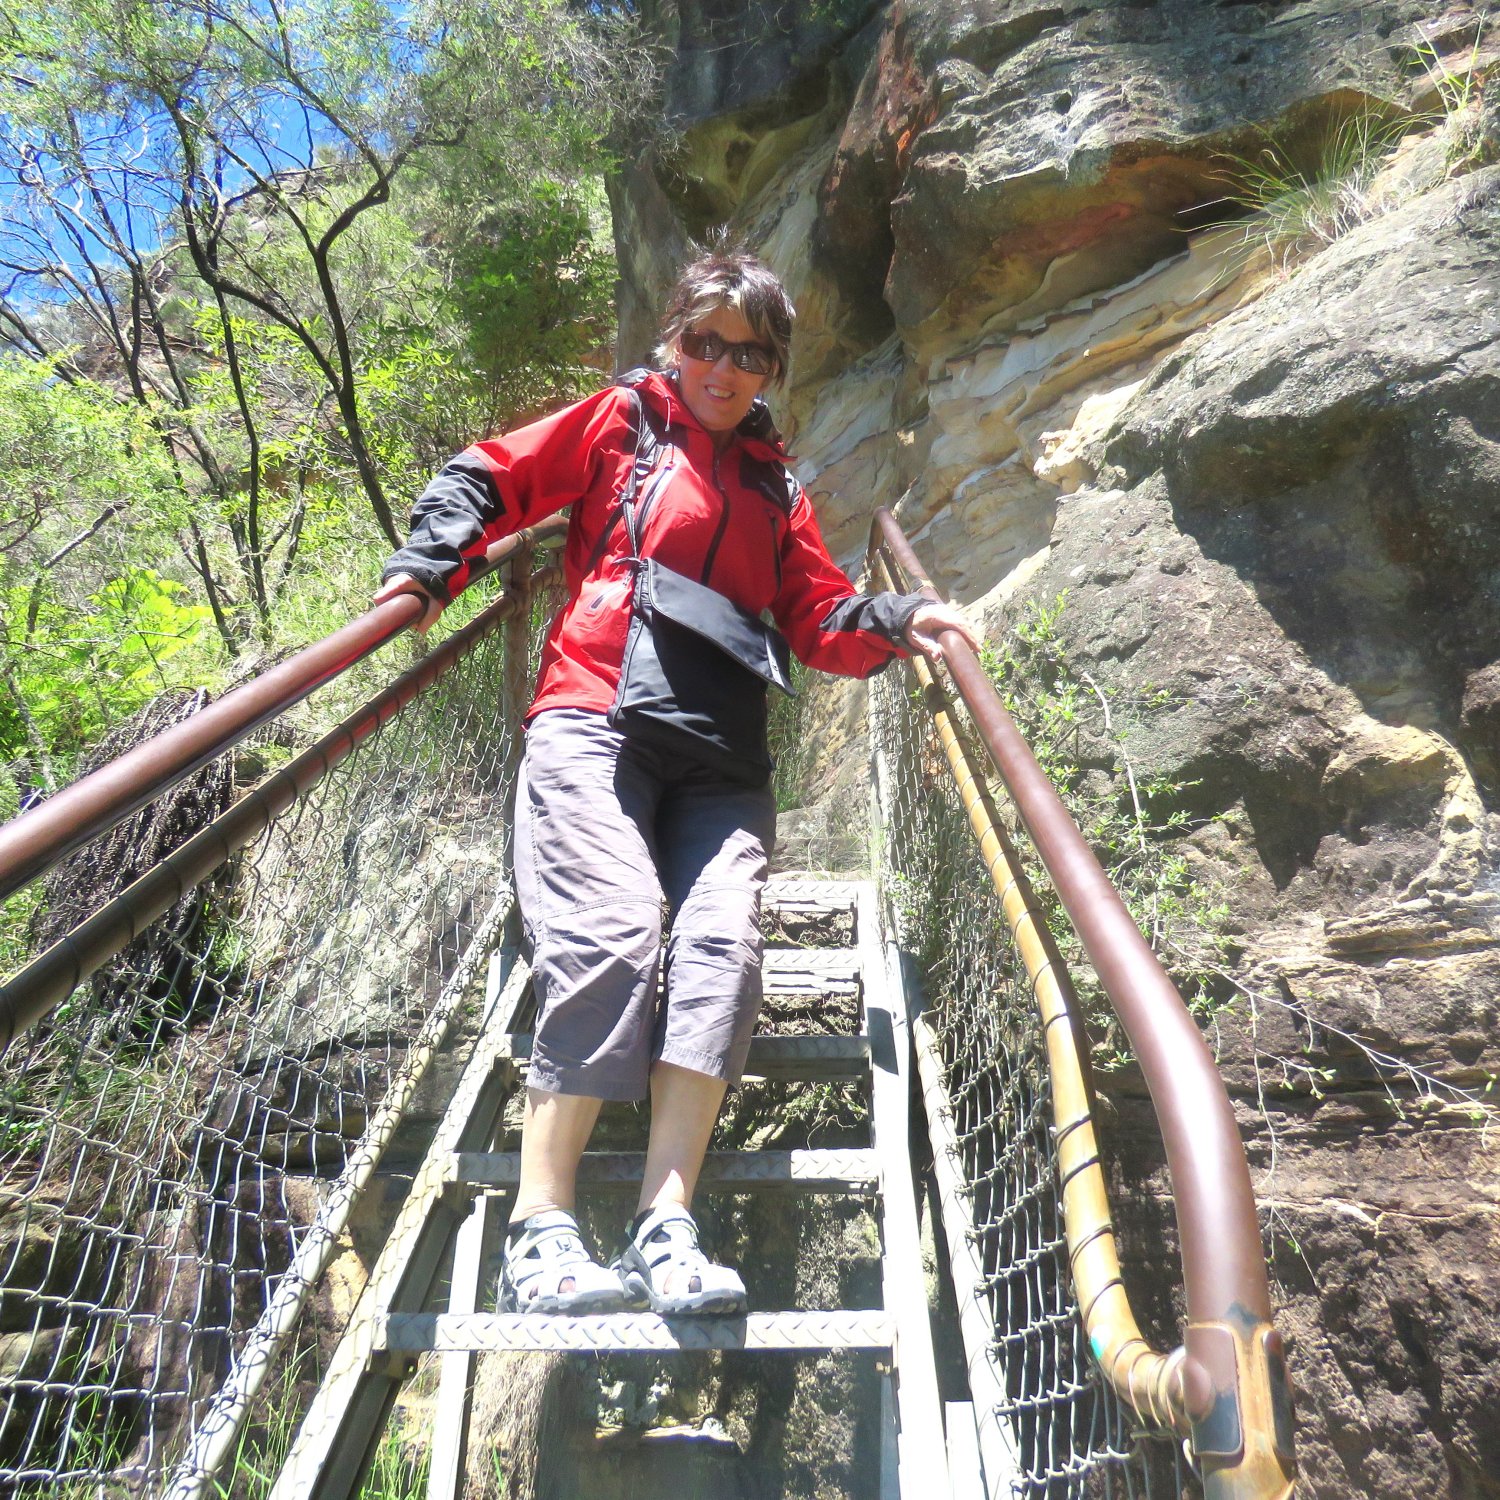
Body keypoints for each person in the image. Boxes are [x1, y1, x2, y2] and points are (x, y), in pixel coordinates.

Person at [375, 245, 977, 1316]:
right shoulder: (624, 423)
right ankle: (542, 1229)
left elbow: (823, 615)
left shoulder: (773, 485)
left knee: (718, 949)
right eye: (706, 341)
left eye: (751, 352)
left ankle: (666, 1225)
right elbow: (494, 475)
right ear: (674, 340)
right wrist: (433, 563)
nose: (725, 366)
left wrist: (898, 619)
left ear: (772, 367)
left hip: (720, 748)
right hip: (596, 711)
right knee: (613, 929)